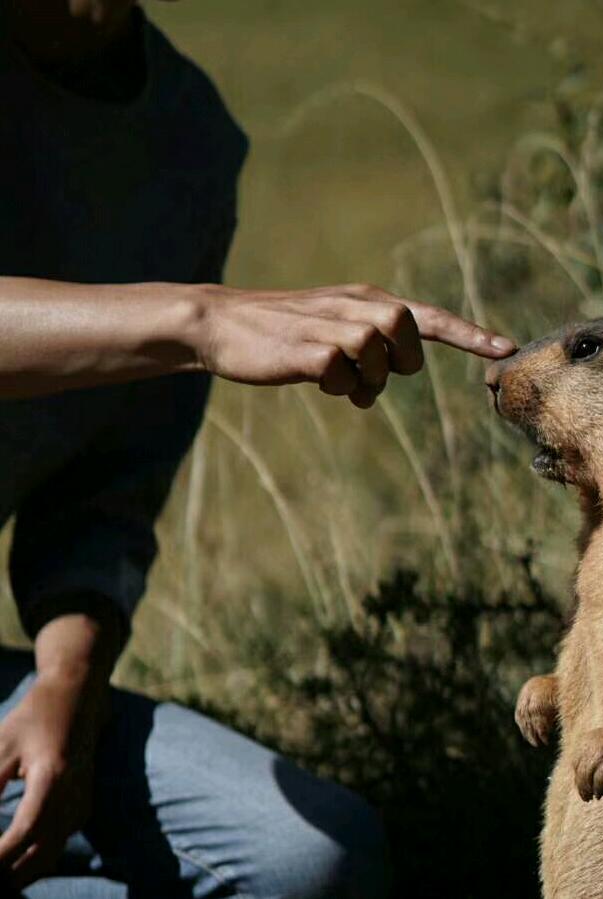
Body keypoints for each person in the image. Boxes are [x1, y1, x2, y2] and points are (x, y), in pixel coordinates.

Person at [0, 2, 517, 897]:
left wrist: (64, 687)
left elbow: (103, 496)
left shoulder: (188, 142)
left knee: (310, 860)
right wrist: (197, 316)